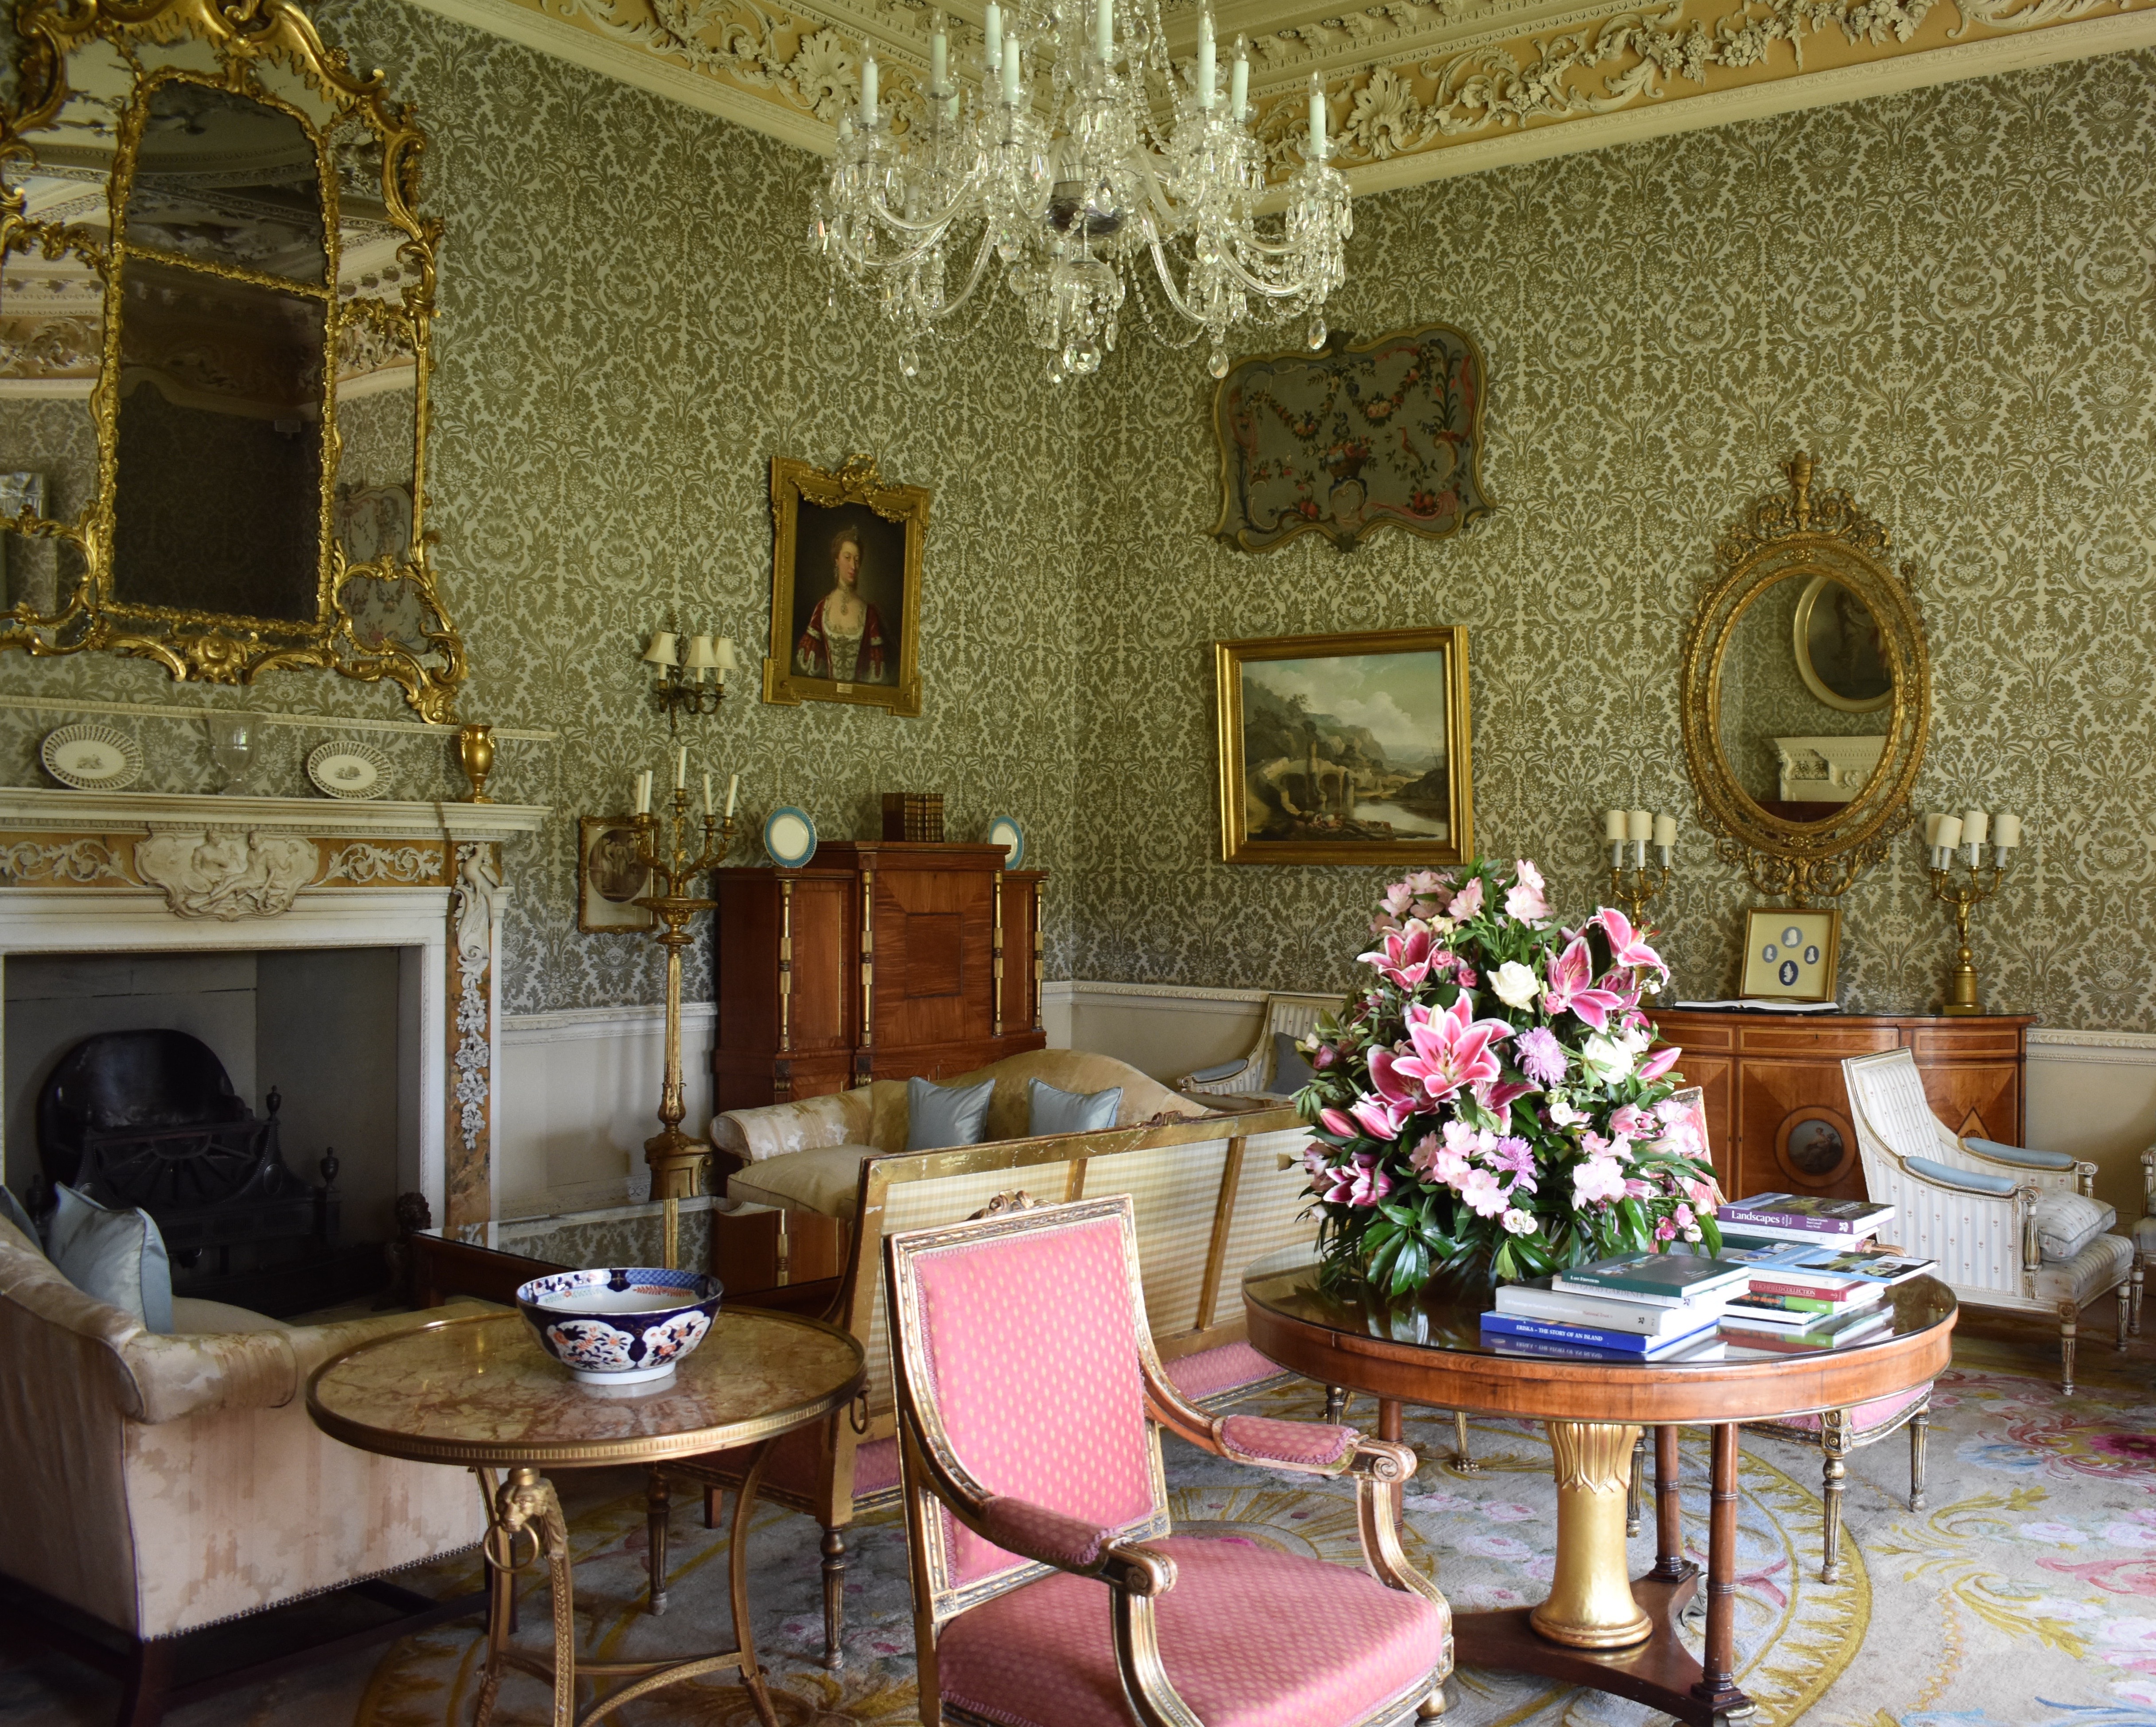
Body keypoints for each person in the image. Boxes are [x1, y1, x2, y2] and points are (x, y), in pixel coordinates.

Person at [795, 524, 887, 682]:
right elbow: (804, 669)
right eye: (848, 557)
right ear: (837, 560)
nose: (853, 566)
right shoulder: (823, 607)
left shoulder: (869, 612)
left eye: (857, 560)